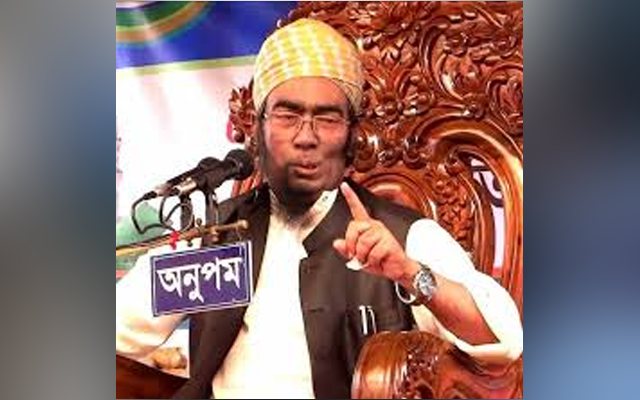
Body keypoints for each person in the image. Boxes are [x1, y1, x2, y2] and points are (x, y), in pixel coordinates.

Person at [116, 18, 523, 399]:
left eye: (326, 119)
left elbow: (500, 339)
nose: (306, 137)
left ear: (351, 136)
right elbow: (119, 326)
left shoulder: (403, 237)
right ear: (258, 128)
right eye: (288, 114)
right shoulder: (220, 239)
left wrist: (409, 273)